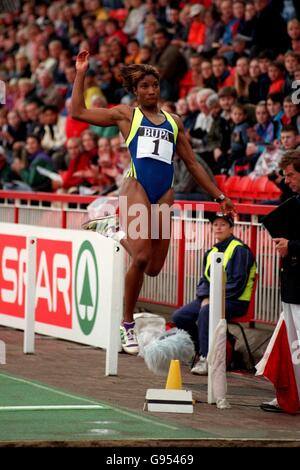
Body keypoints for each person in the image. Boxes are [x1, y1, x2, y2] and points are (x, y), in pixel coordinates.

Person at [71, 50, 235, 355]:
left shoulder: (173, 122)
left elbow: (193, 163)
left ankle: (113, 228)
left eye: (154, 86)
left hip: (164, 191)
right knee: (142, 256)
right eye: (144, 86)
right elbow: (78, 112)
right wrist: (81, 72)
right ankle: (126, 324)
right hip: (136, 187)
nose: (150, 91)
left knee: (154, 268)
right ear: (135, 91)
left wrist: (220, 196)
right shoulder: (126, 115)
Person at [172, 212, 256, 375]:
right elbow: (204, 281)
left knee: (206, 312)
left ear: (231, 228)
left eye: (223, 224)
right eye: (215, 224)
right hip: (211, 298)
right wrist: (205, 297)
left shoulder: (240, 250)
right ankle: (199, 348)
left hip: (235, 301)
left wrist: (213, 299)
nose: (218, 227)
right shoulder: (211, 252)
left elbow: (238, 283)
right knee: (179, 316)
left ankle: (206, 358)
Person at [259, 151, 300, 413]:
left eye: (292, 175)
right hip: (292, 286)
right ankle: (291, 396)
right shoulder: (293, 201)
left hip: (298, 288)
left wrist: (292, 246)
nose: (287, 181)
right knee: (292, 345)